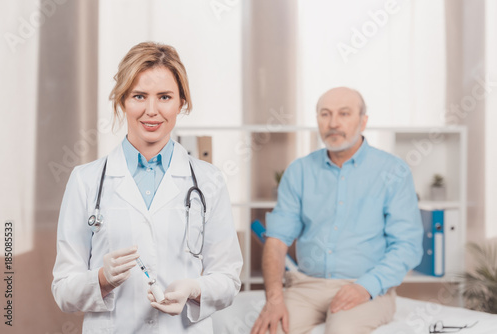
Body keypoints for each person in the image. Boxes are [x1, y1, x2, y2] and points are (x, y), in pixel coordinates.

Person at [52, 42, 243, 333]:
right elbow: (64, 290)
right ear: (122, 101)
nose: (151, 111)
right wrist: (102, 278)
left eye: (165, 97)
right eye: (139, 96)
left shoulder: (208, 181)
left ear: (182, 103)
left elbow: (228, 280)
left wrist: (194, 288)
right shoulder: (85, 180)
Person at [251, 87, 423, 334]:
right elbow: (277, 241)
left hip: (364, 285)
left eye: (344, 114)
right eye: (325, 114)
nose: (333, 123)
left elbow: (407, 245)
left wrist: (366, 286)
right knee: (268, 331)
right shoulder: (299, 171)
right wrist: (274, 299)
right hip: (306, 286)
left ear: (363, 121)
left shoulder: (393, 171)